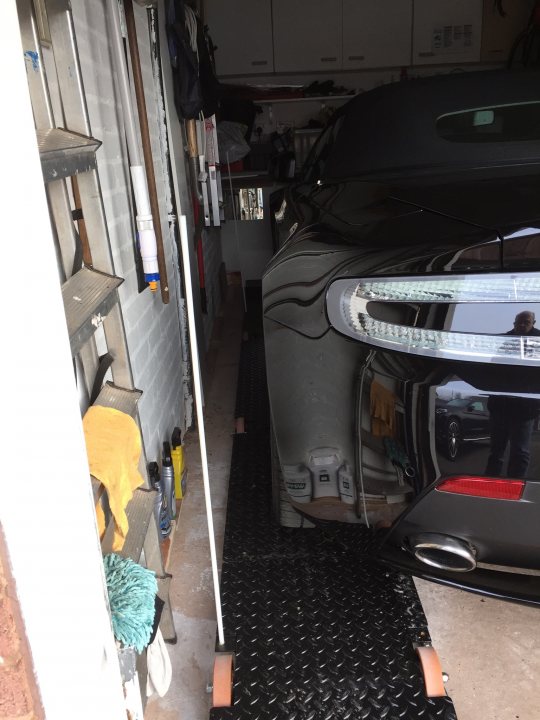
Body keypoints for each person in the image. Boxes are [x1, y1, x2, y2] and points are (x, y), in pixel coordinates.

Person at [485, 310, 540, 478]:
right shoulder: (505, 340)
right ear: (514, 323)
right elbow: (493, 366)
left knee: (520, 451)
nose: (522, 325)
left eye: (526, 322)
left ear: (533, 323)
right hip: (500, 404)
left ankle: (514, 487)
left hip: (525, 407)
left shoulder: (538, 341)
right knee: (496, 450)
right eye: (519, 322)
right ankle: (489, 483)